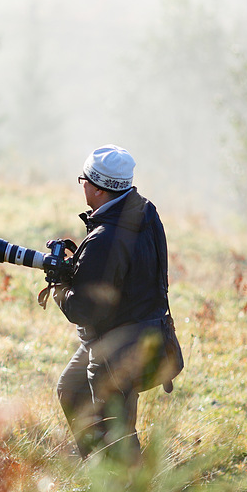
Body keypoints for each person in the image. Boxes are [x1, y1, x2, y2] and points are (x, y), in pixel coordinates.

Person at [49, 145, 181, 464]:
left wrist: (58, 284)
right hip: (148, 332)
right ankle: (100, 473)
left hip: (120, 346)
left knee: (116, 428)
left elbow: (82, 309)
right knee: (71, 388)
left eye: (83, 180)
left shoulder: (105, 237)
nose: (81, 185)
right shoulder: (143, 212)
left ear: (96, 187)